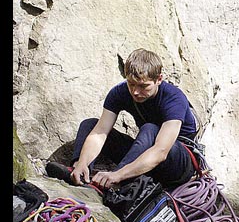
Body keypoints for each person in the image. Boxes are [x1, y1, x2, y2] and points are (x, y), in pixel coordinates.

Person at [46, 48, 199, 191]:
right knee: (90, 124)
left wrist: (117, 175)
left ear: (159, 79)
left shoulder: (173, 98)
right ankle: (79, 174)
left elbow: (161, 151)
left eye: (143, 86)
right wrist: (82, 162)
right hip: (146, 151)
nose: (136, 92)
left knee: (150, 128)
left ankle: (112, 184)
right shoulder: (120, 93)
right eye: (131, 84)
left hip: (177, 163)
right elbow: (100, 132)